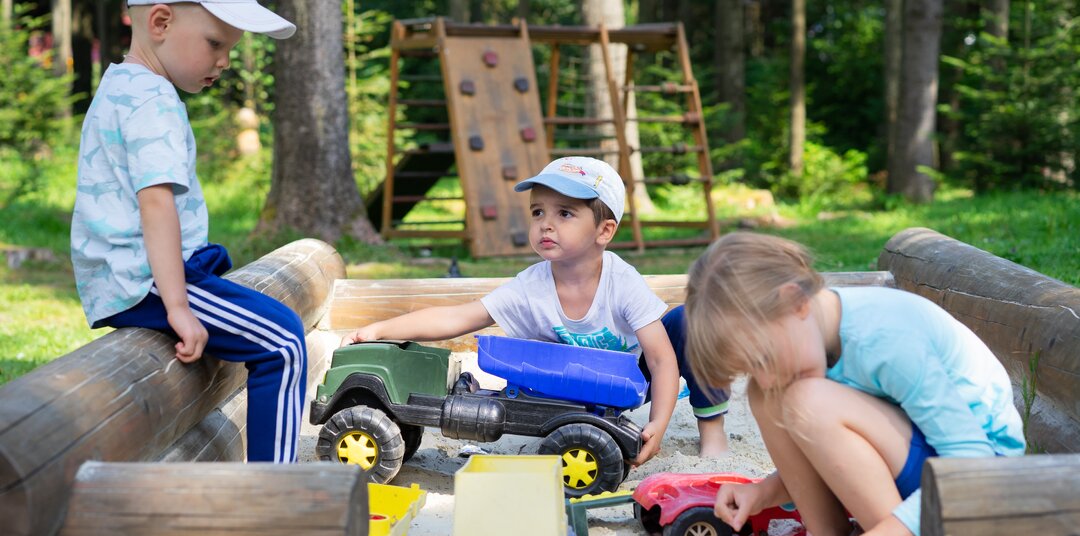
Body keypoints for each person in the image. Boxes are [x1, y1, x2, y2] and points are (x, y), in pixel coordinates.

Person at [70, 0, 302, 463]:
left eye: (232, 49)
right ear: (160, 22)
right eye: (216, 43)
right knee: (284, 342)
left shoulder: (123, 84)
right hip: (148, 280)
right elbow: (155, 203)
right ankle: (275, 495)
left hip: (130, 274)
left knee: (274, 330)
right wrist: (177, 305)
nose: (224, 61)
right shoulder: (153, 100)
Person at [683, 232, 1025, 536]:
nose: (768, 377)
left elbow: (971, 461)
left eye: (765, 359)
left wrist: (890, 532)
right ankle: (829, 532)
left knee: (807, 401)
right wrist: (764, 494)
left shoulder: (885, 339)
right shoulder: (811, 340)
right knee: (766, 397)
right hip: (921, 469)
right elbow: (841, 455)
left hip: (980, 477)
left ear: (796, 302)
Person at [341, 156, 679, 465]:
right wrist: (379, 330)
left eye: (565, 213)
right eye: (538, 212)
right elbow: (460, 317)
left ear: (604, 231)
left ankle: (712, 422)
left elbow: (661, 360)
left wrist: (658, 424)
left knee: (682, 325)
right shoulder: (531, 285)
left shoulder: (622, 283)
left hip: (623, 383)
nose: (546, 224)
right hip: (562, 390)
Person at [661, 305, 732, 456]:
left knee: (691, 318)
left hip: (632, 369)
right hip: (597, 387)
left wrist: (657, 425)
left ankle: (712, 428)